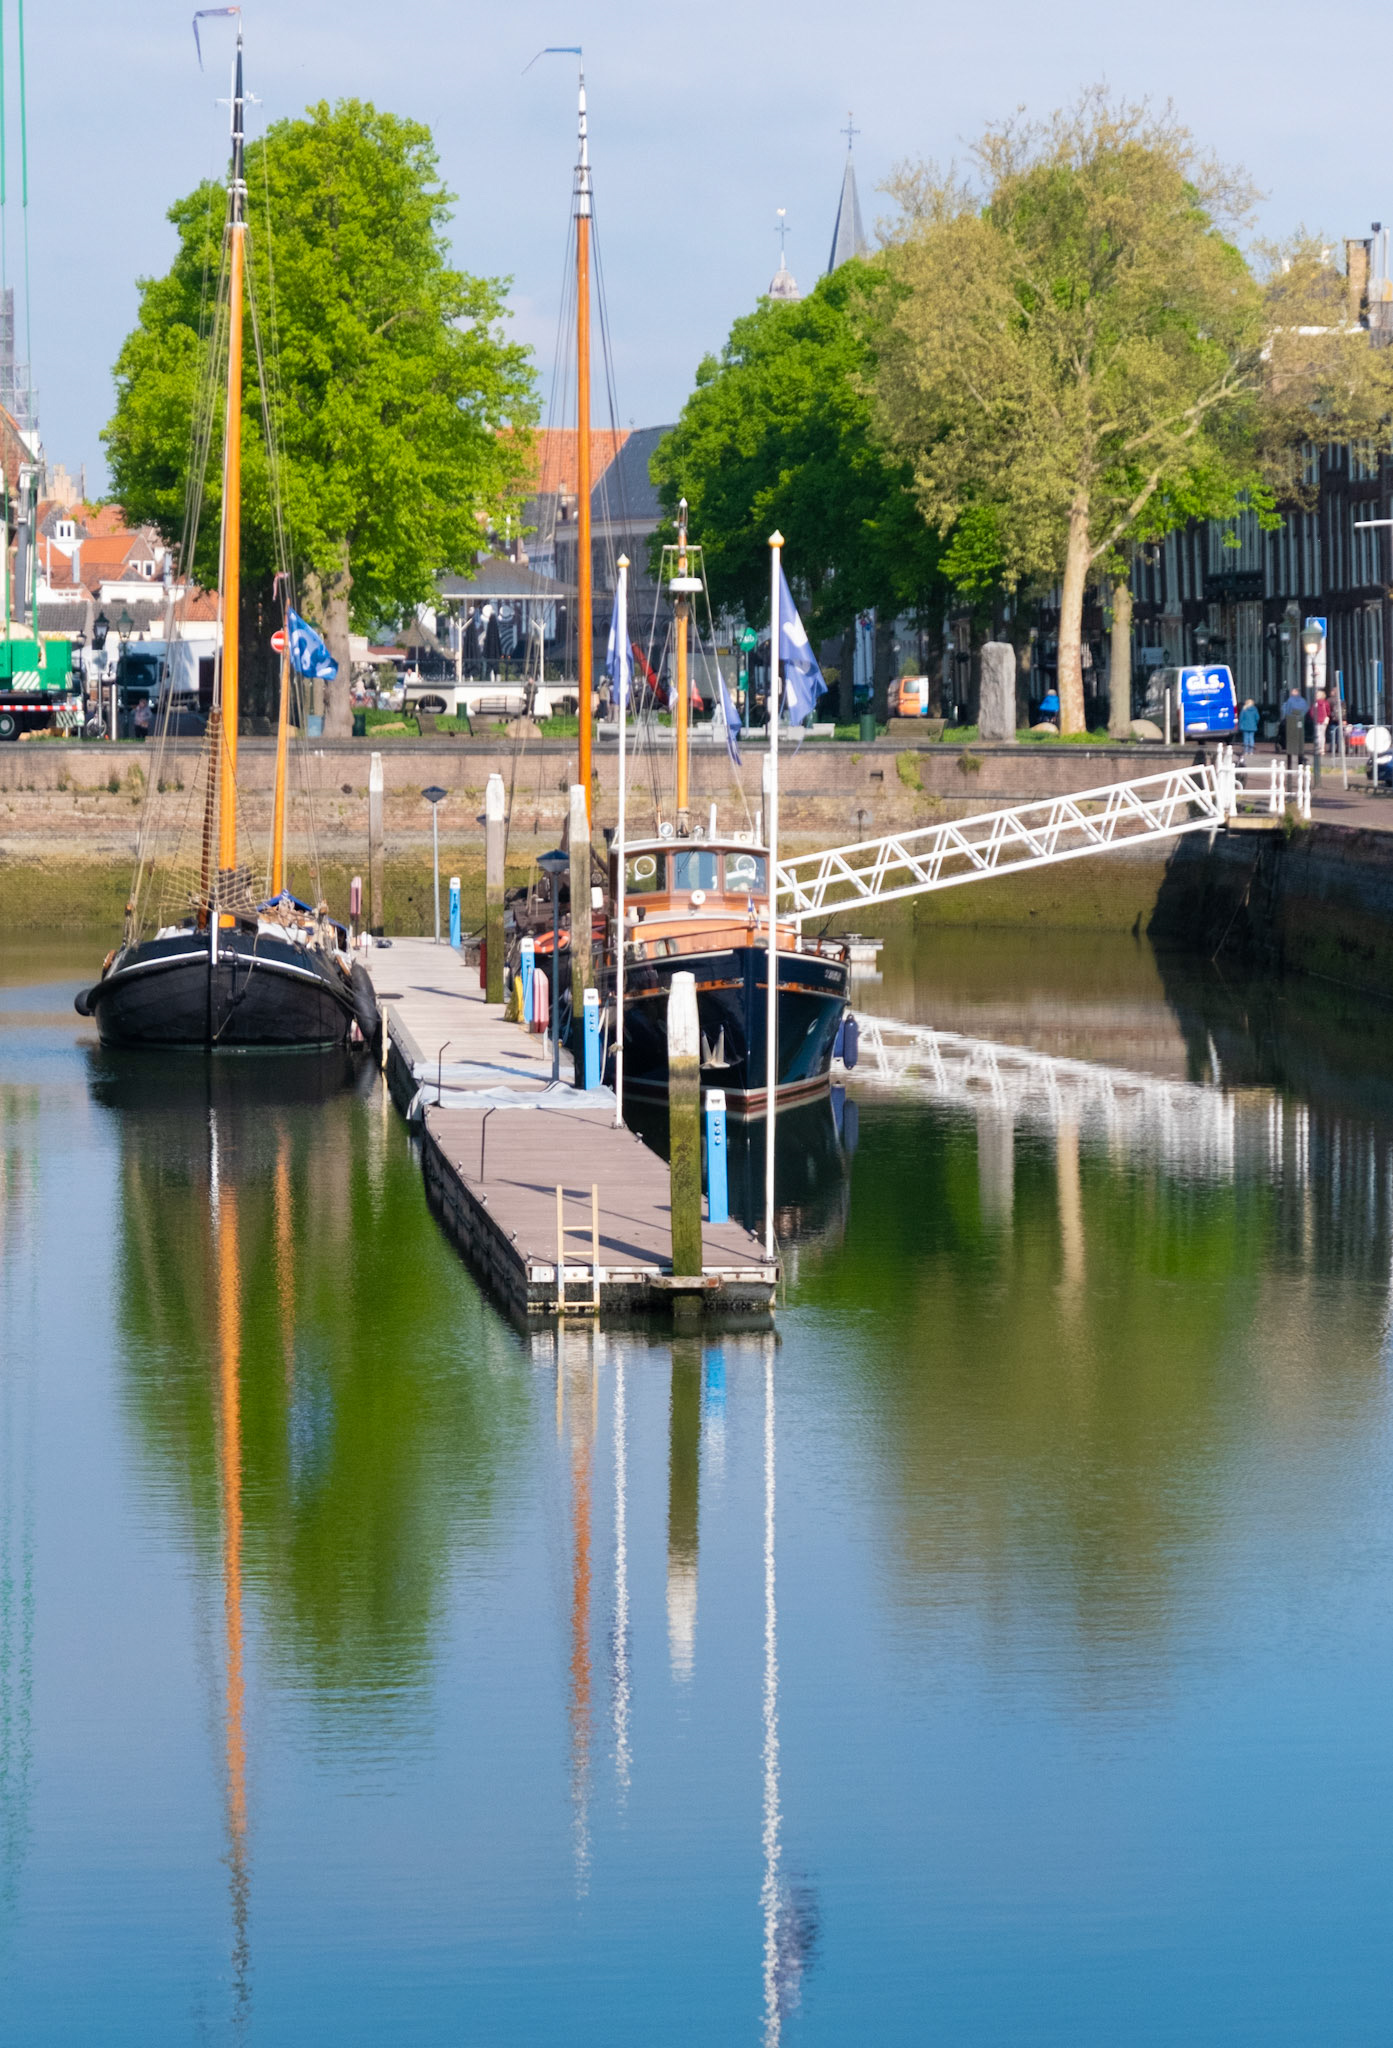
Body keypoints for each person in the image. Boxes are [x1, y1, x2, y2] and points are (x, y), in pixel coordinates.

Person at [1281, 685, 1309, 763]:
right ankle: (1300, 754)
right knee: (1299, 737)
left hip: (1291, 721)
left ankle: (1292, 751)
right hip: (1300, 721)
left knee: (1291, 737)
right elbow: (1306, 709)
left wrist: (1286, 717)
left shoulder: (1290, 700)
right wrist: (1301, 716)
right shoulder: (1303, 700)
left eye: (1292, 691)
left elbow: (1287, 710)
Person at [1312, 689, 1330, 779]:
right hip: (1324, 721)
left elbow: (1311, 712)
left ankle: (1318, 748)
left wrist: (1313, 717)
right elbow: (1328, 711)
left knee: (1318, 734)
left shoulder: (1315, 703)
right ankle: (1322, 749)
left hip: (1317, 721)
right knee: (1322, 734)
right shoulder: (1325, 703)